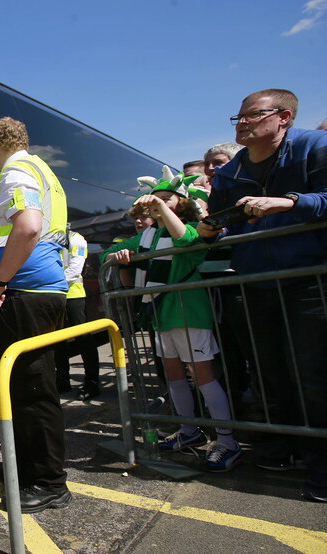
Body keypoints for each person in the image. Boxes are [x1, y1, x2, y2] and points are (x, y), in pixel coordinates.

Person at [198, 89, 327, 501]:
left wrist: (289, 202)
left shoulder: (315, 147)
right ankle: (286, 446)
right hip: (254, 282)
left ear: (284, 117)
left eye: (252, 116)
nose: (242, 123)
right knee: (271, 373)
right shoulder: (232, 171)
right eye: (237, 117)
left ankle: (323, 462)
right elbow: (221, 221)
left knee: (314, 375)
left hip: (310, 280)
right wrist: (209, 230)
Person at [106, 170, 243, 472]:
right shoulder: (148, 236)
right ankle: (190, 432)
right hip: (161, 314)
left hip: (189, 312)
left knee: (203, 376)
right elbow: (108, 254)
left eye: (167, 200)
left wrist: (161, 206)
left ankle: (227, 441)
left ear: (181, 203)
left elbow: (184, 241)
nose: (158, 205)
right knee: (174, 376)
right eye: (156, 202)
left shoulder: (194, 227)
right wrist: (121, 256)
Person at [0, 117, 71, 513]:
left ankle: (48, 483)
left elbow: (27, 228)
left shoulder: (16, 171)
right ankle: (28, 468)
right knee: (24, 386)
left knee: (31, 389)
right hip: (35, 290)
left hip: (21, 292)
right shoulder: (41, 169)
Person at [55, 230, 101, 400]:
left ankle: (92, 382)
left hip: (73, 296)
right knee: (58, 341)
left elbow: (75, 269)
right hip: (55, 297)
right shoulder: (48, 236)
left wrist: (51, 284)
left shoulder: (75, 239)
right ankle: (62, 380)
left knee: (83, 340)